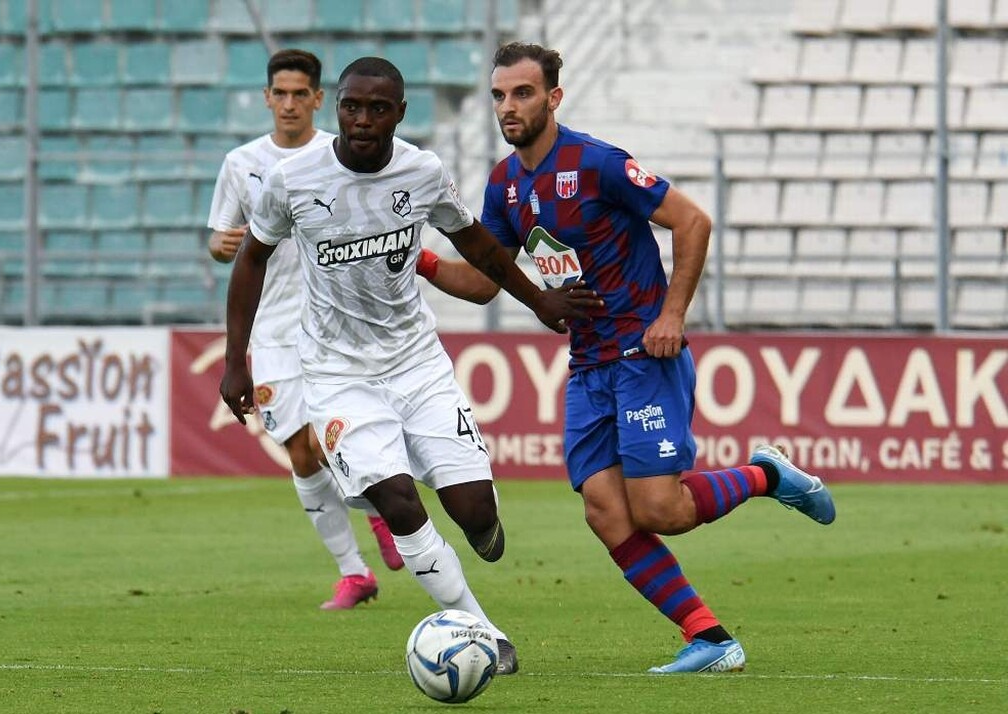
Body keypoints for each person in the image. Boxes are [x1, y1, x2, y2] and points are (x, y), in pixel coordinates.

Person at [218, 56, 600, 675]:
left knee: (476, 515)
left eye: (377, 108)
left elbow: (474, 242)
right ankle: (483, 631)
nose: (362, 120)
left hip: (417, 364)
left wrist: (540, 302)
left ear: (400, 113)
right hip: (337, 371)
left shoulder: (422, 172)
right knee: (396, 501)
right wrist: (238, 360)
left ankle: (459, 506)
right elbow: (250, 262)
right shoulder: (292, 179)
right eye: (350, 106)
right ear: (336, 107)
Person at [480, 42, 836, 674]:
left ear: (554, 97)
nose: (509, 107)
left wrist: (672, 315)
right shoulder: (505, 184)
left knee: (659, 510)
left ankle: (768, 478)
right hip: (588, 367)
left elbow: (692, 221)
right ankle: (710, 637)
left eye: (524, 93)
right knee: (604, 512)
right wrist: (412, 256)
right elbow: (485, 279)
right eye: (500, 95)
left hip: (643, 354)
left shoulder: (596, 163)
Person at [208, 49, 498, 611]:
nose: (289, 104)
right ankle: (358, 568)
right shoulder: (245, 164)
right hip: (282, 331)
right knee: (300, 452)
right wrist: (233, 343)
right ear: (267, 98)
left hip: (374, 341)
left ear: (318, 99)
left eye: (300, 94)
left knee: (349, 457)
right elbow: (233, 248)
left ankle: (388, 507)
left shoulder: (372, 158)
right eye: (280, 93)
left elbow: (446, 240)